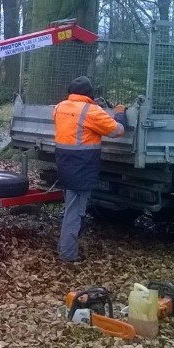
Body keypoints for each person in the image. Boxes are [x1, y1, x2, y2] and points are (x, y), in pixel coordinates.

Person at [53, 76, 126, 262]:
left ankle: (65, 248)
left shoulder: (60, 107)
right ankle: (68, 256)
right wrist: (119, 113)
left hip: (65, 165)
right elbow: (117, 131)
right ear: (89, 93)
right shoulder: (91, 111)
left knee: (72, 210)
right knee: (74, 213)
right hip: (82, 169)